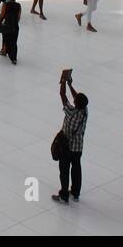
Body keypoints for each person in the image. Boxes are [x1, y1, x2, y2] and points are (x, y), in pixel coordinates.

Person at [51, 71, 87, 204]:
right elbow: (77, 98)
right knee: (76, 168)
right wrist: (71, 85)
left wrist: (63, 82)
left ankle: (64, 195)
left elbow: (62, 95)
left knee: (64, 171)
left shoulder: (71, 112)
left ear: (75, 103)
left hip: (66, 147)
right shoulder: (85, 112)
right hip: (78, 147)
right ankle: (76, 192)